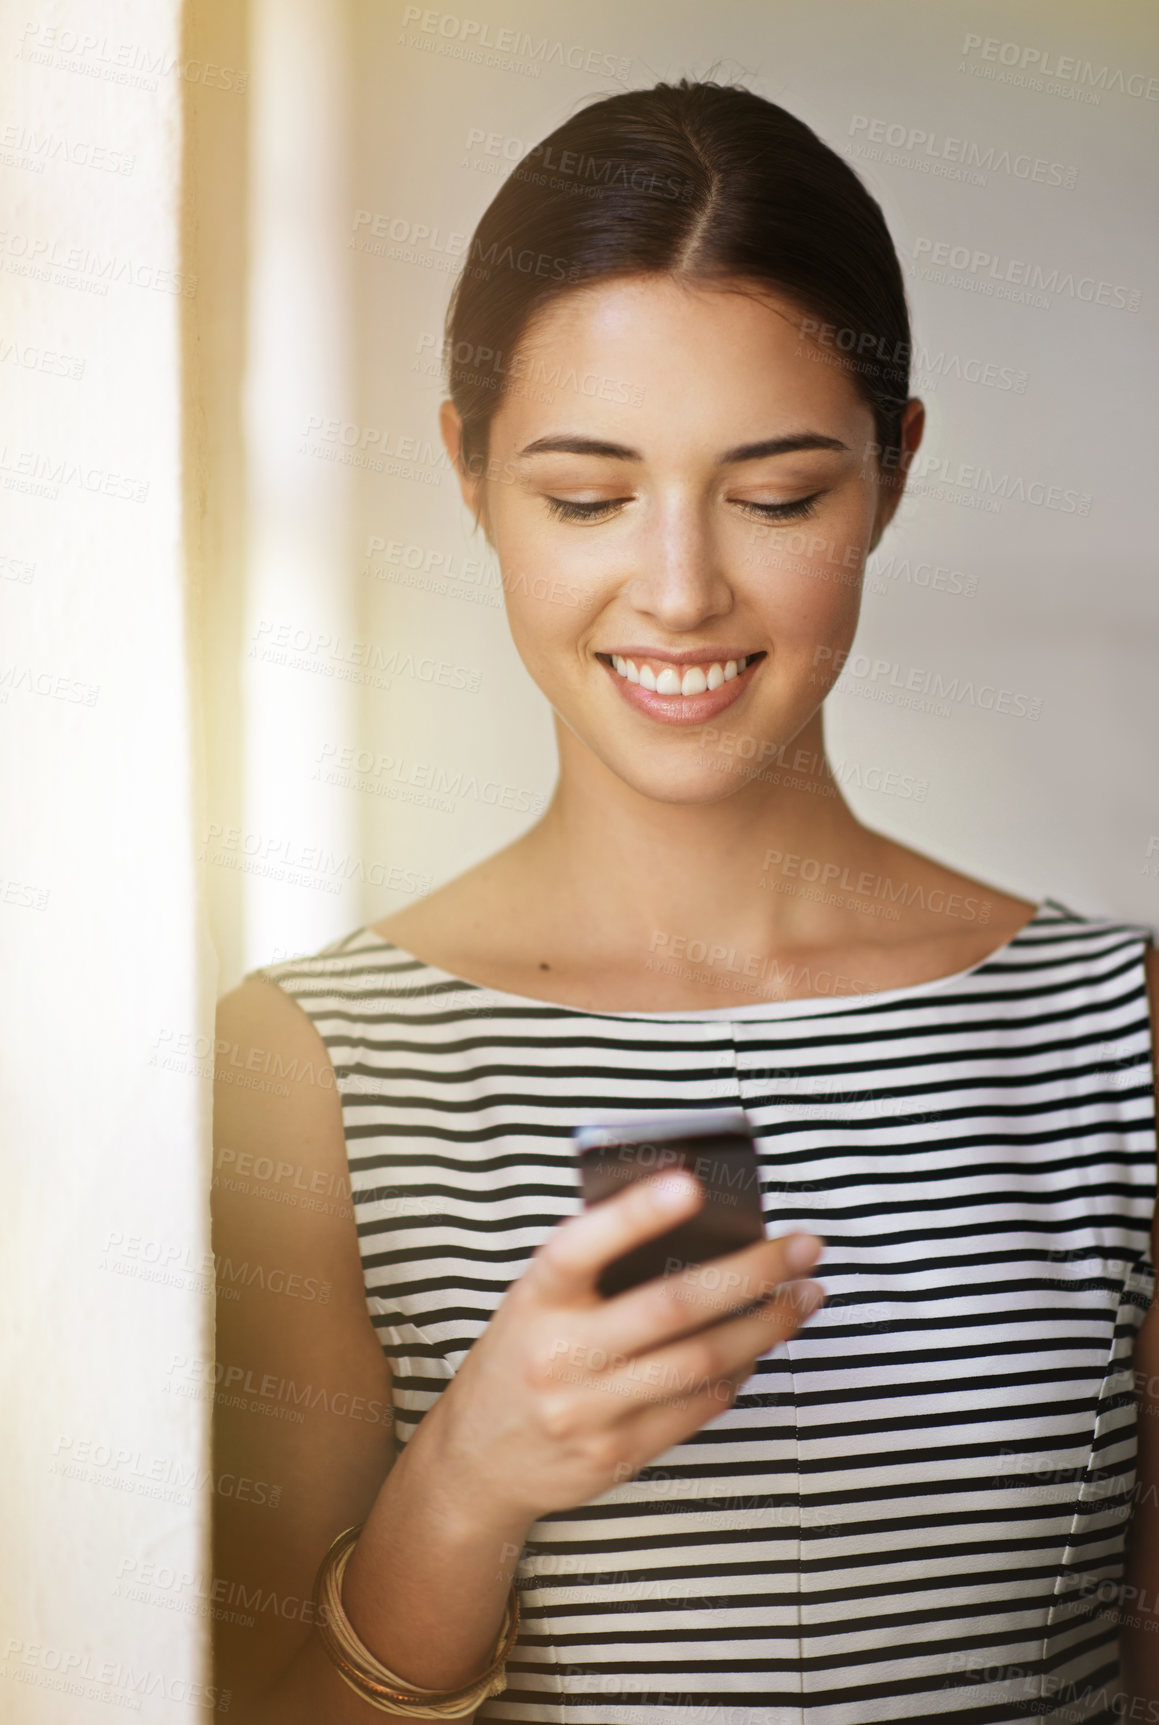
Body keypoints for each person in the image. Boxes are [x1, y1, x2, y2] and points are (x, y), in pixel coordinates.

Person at [211, 78, 1159, 1722]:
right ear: (468, 468)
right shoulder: (315, 1066)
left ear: (893, 469)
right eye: (586, 495)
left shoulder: (1119, 1033)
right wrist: (472, 1476)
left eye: (778, 496)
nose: (679, 589)